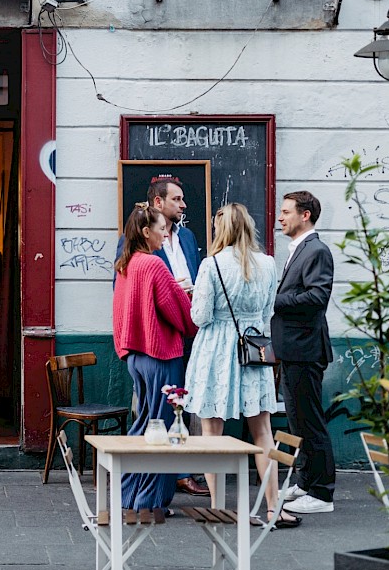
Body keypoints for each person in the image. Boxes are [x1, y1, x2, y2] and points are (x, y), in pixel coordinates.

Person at [182, 204, 300, 528]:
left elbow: (200, 317)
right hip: (253, 349)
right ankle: (275, 507)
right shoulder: (267, 264)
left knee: (212, 430)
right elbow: (267, 314)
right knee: (262, 432)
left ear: (222, 230)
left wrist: (192, 295)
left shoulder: (211, 265)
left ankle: (219, 507)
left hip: (216, 351)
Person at [115, 175, 208, 497]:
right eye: (159, 230)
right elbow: (175, 309)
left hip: (140, 351)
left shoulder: (127, 262)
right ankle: (149, 499)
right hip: (160, 347)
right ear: (147, 230)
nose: (164, 234)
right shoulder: (153, 264)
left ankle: (128, 493)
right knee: (161, 426)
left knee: (148, 425)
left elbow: (125, 306)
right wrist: (185, 302)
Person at [274, 190, 335, 514]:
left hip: (305, 349)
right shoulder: (300, 249)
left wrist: (276, 299)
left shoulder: (316, 250)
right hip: (294, 349)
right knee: (299, 421)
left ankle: (322, 493)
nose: (281, 218)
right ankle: (305, 481)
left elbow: (316, 298)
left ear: (305, 215)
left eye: (286, 212)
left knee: (310, 423)